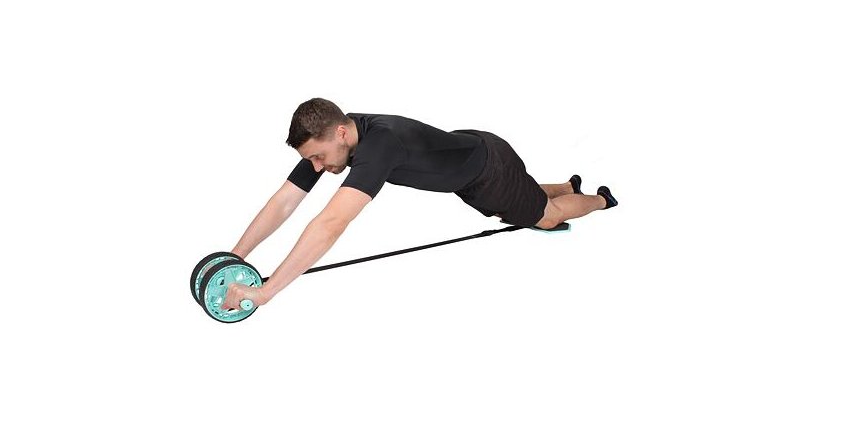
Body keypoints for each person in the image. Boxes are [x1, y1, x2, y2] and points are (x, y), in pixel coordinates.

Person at [222, 98, 618, 312]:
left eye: (318, 157)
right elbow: (284, 202)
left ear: (340, 133)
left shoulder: (379, 146)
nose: (316, 167)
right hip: (472, 157)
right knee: (525, 194)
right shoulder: (338, 138)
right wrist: (233, 258)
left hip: (488, 173)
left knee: (545, 216)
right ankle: (568, 185)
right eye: (310, 159)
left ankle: (600, 200)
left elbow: (331, 223)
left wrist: (267, 292)